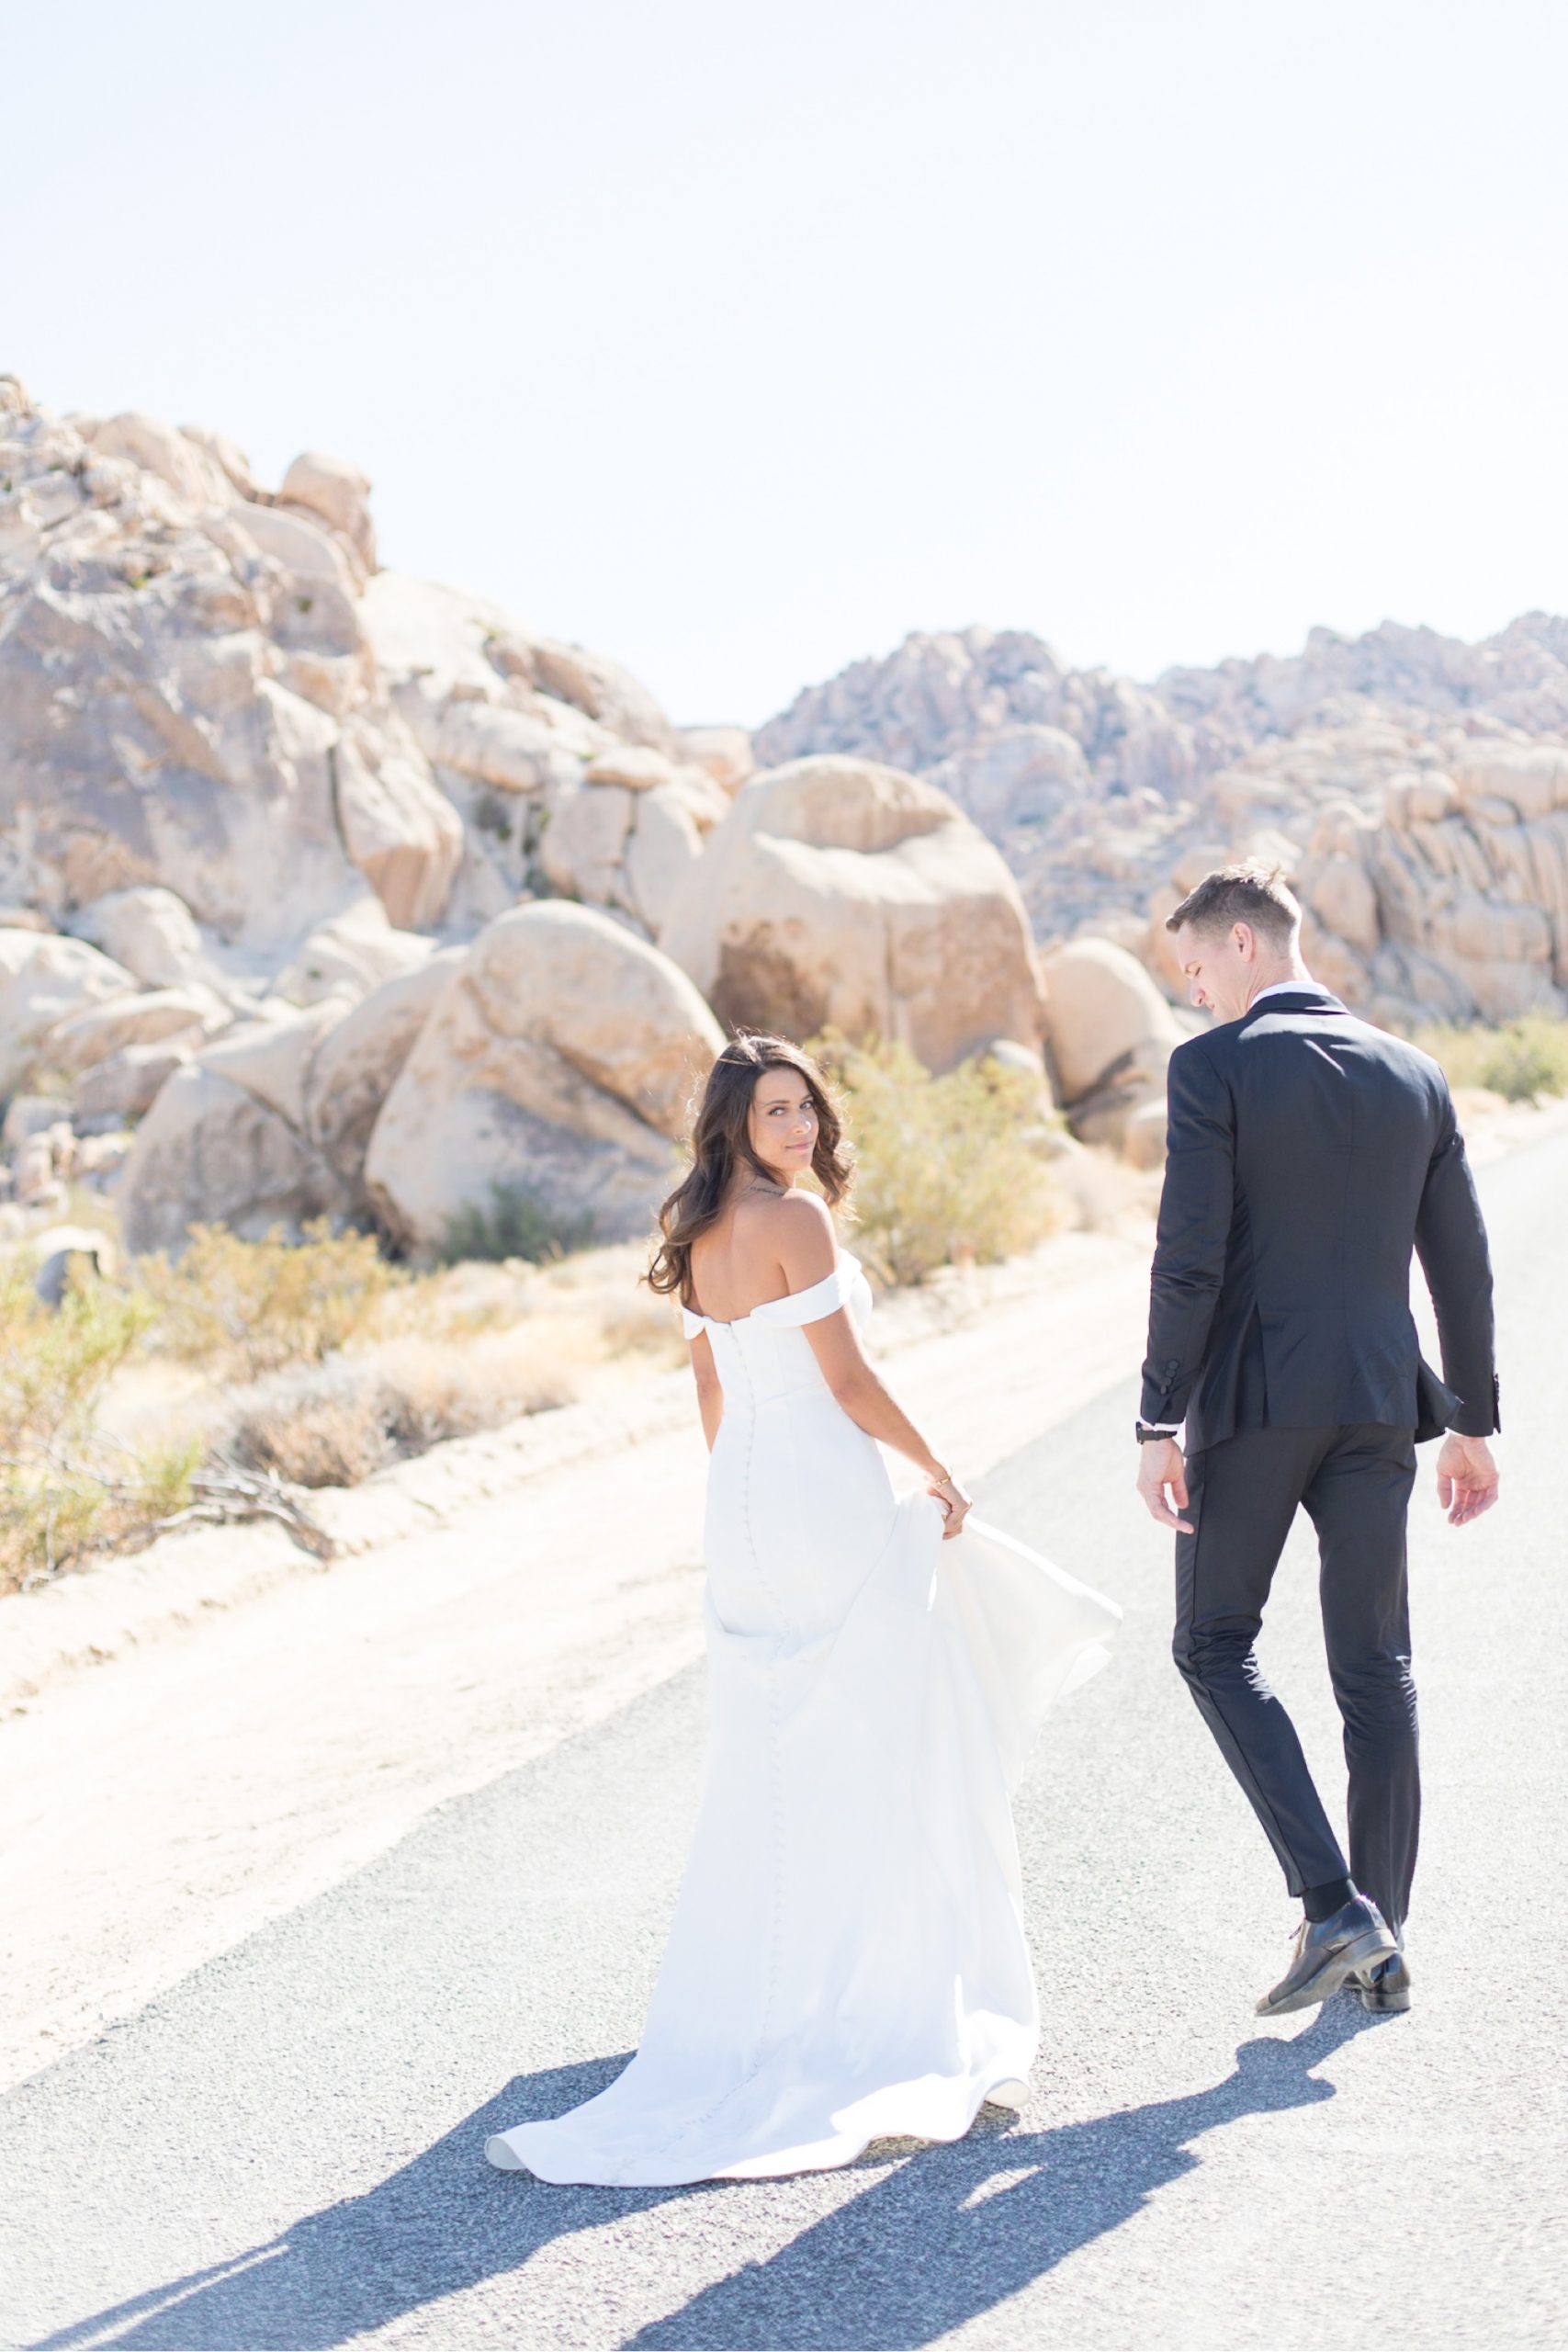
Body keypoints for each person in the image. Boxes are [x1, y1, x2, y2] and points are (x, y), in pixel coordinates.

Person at [485, 1033, 1119, 2185]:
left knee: (777, 1754)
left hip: (744, 1503)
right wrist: (937, 1468)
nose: (802, 1131)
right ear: (732, 1121)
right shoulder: (796, 1223)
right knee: (884, 1735)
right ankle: (876, 1996)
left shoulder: (690, 1234)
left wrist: (744, 1505)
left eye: (808, 1110)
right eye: (778, 1112)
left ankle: (769, 1995)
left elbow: (714, 1393)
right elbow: (848, 1382)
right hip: (825, 1490)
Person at [1135, 862, 1499, 2019]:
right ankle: (1379, 1942)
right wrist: (1474, 1424)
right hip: (1382, 1408)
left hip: (1251, 1402)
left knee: (1210, 1645)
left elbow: (1190, 1257)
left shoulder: (1216, 1067)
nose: (1197, 997)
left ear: (1244, 943)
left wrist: (1156, 1416)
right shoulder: (1416, 1073)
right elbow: (1463, 1264)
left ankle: (1335, 1905)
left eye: (1196, 970)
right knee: (1375, 1666)